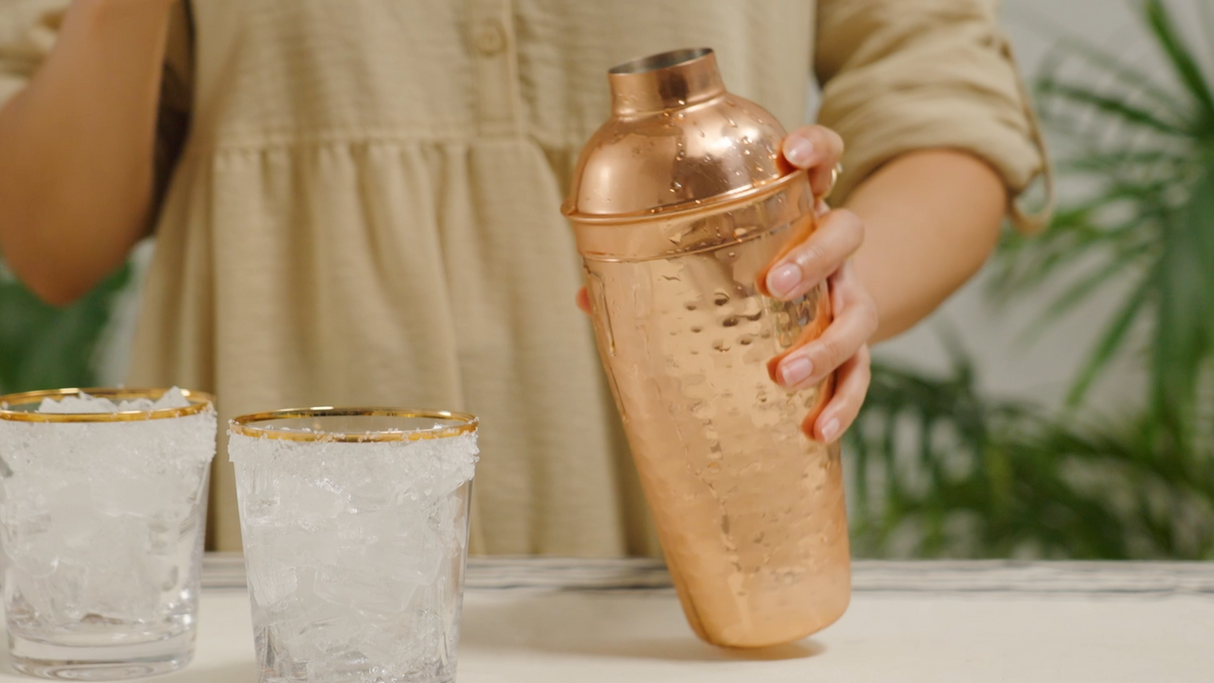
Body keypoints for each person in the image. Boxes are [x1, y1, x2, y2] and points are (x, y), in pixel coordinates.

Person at [0, 0, 1049, 556]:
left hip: (701, 516)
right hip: (295, 559)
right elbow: (52, 241)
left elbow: (947, 111)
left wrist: (839, 284)